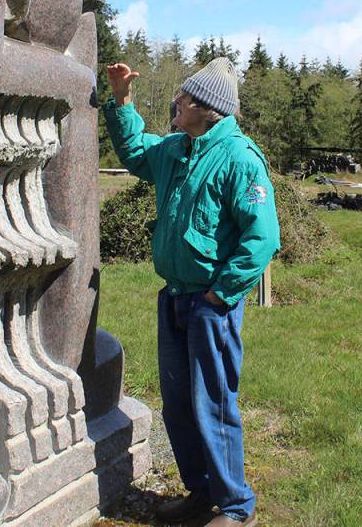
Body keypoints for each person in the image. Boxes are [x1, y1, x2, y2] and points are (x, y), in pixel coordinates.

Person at [103, 57, 280, 527]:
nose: (175, 104)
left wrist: (221, 295)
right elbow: (135, 151)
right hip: (175, 298)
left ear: (208, 109)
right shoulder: (178, 149)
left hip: (210, 305)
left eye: (183, 99)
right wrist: (122, 100)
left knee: (213, 404)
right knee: (179, 403)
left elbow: (261, 236)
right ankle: (202, 494)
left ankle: (236, 507)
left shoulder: (240, 158)